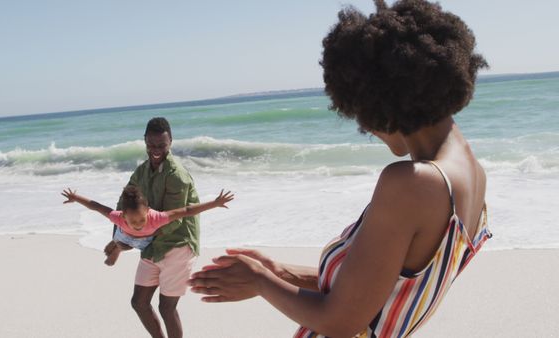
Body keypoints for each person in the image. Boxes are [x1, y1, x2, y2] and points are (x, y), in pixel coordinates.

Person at [188, 1, 492, 337]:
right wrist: (280, 272)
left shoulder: (412, 184)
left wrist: (260, 282)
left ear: (382, 100)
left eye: (360, 111)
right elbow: (375, 290)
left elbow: (340, 322)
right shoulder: (472, 175)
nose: (366, 126)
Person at [114, 117, 201, 338]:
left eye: (161, 145)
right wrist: (118, 237)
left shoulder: (176, 176)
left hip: (178, 244)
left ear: (170, 142)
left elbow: (174, 221)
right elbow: (123, 204)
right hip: (151, 244)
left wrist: (134, 237)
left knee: (166, 307)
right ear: (144, 141)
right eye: (151, 145)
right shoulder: (141, 171)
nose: (155, 150)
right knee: (139, 302)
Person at [61, 186, 233, 266]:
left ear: (148, 211)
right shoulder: (118, 218)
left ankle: (118, 248)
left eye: (141, 219)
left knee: (133, 247)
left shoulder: (156, 218)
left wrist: (215, 203)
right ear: (123, 215)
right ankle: (117, 249)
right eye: (133, 221)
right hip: (123, 234)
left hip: (146, 240)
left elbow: (187, 210)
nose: (138, 224)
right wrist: (76, 198)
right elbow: (97, 206)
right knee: (122, 243)